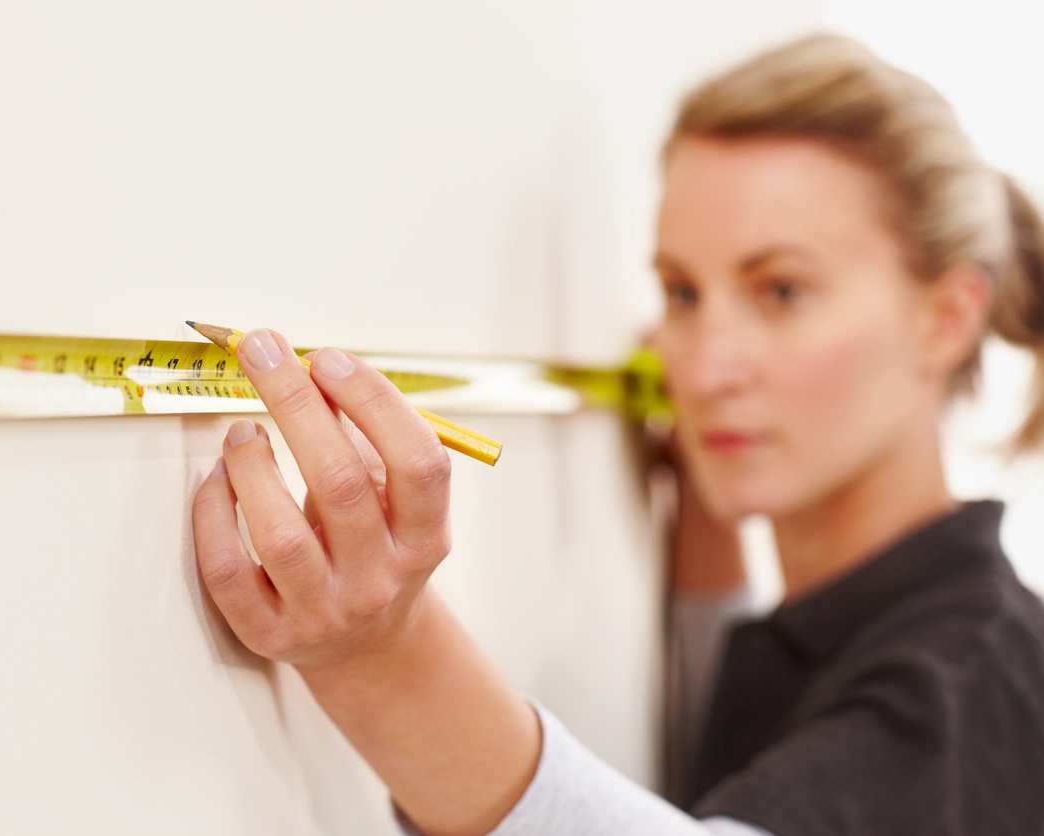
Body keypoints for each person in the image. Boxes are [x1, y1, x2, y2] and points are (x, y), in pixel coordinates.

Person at [190, 33, 1044, 836]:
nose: (704, 370)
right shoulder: (891, 626)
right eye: (681, 293)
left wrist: (383, 651)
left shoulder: (964, 690)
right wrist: (709, 531)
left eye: (781, 292)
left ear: (946, 318)